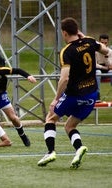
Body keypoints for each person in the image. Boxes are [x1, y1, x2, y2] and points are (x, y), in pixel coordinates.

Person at [37, 17, 111, 169]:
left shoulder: (67, 51)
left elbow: (64, 78)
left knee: (50, 119)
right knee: (69, 126)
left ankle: (50, 151)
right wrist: (109, 61)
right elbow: (107, 51)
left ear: (64, 33)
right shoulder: (90, 41)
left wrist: (56, 99)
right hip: (91, 95)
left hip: (74, 94)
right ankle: (79, 149)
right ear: (77, 31)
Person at [95, 34, 112, 101]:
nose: (104, 45)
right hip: (98, 69)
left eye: (105, 43)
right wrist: (105, 68)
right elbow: (95, 65)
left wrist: (106, 56)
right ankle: (97, 94)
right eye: (102, 43)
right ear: (99, 42)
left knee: (111, 72)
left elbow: (110, 65)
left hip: (107, 69)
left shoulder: (110, 51)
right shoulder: (95, 51)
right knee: (98, 72)